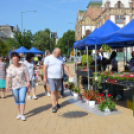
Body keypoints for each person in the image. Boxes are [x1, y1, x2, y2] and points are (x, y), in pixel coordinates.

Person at [43, 48, 73, 113]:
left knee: (57, 92)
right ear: (54, 52)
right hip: (51, 78)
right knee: (53, 91)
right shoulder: (48, 58)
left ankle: (56, 103)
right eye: (58, 53)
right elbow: (44, 68)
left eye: (60, 53)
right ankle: (53, 106)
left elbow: (64, 66)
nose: (59, 54)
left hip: (59, 77)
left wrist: (69, 74)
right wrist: (45, 77)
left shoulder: (61, 58)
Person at [6, 52, 30, 121]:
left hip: (23, 85)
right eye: (14, 59)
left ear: (19, 59)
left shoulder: (23, 65)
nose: (15, 60)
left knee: (22, 99)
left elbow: (27, 75)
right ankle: (19, 113)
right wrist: (7, 86)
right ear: (11, 60)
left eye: (17, 59)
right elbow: (8, 77)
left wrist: (28, 82)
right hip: (14, 86)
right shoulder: (10, 68)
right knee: (17, 100)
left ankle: (22, 114)